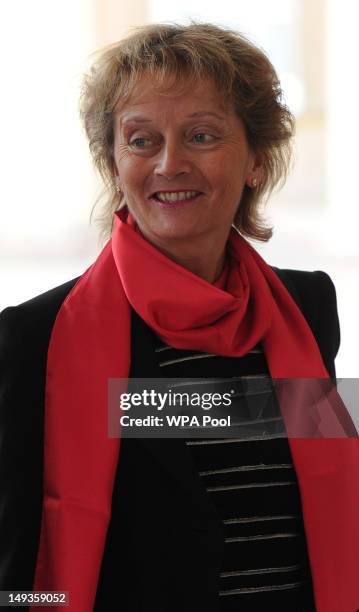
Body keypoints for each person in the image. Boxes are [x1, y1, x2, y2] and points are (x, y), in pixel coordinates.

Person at [0, 22, 357, 612]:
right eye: (141, 141)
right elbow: (15, 568)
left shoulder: (309, 310)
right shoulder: (34, 337)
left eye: (201, 136)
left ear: (256, 161)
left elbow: (323, 498)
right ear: (114, 164)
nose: (170, 164)